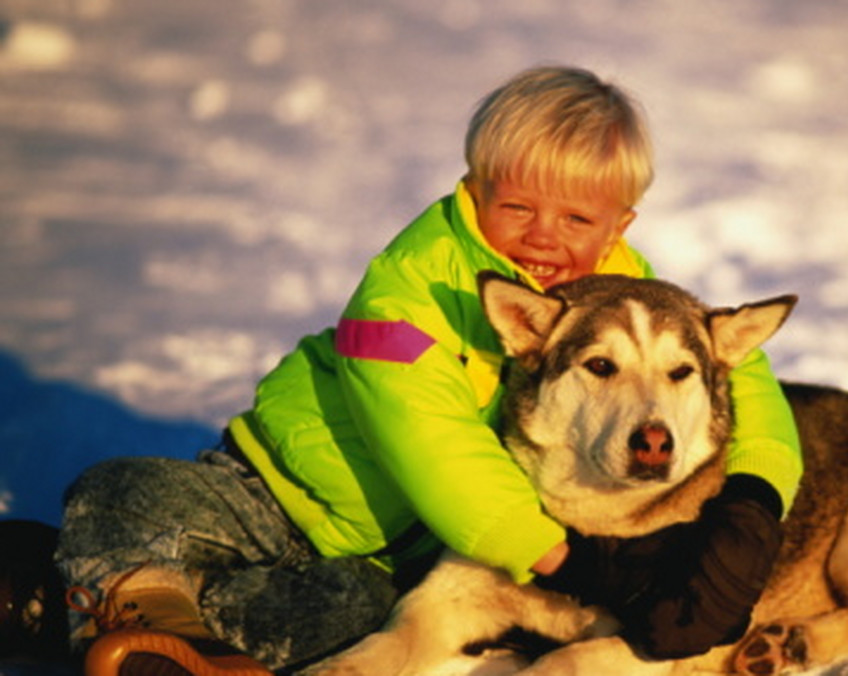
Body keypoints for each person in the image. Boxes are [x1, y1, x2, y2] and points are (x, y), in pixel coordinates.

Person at [56, 65, 802, 674]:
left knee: (352, 616)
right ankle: (139, 598)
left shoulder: (619, 286)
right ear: (473, 190)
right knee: (125, 492)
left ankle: (154, 632)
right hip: (273, 489)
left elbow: (736, 364)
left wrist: (756, 502)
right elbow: (432, 444)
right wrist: (566, 559)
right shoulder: (408, 290)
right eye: (517, 207)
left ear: (618, 227)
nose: (543, 240)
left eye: (576, 221)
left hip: (390, 549)